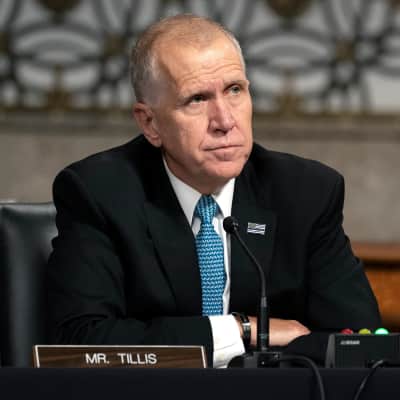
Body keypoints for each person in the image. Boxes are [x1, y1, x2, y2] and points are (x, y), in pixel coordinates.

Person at [47, 14, 381, 367]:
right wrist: (240, 330)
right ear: (150, 123)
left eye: (235, 90)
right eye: (196, 99)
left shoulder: (305, 193)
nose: (225, 121)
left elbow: (360, 345)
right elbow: (79, 344)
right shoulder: (99, 193)